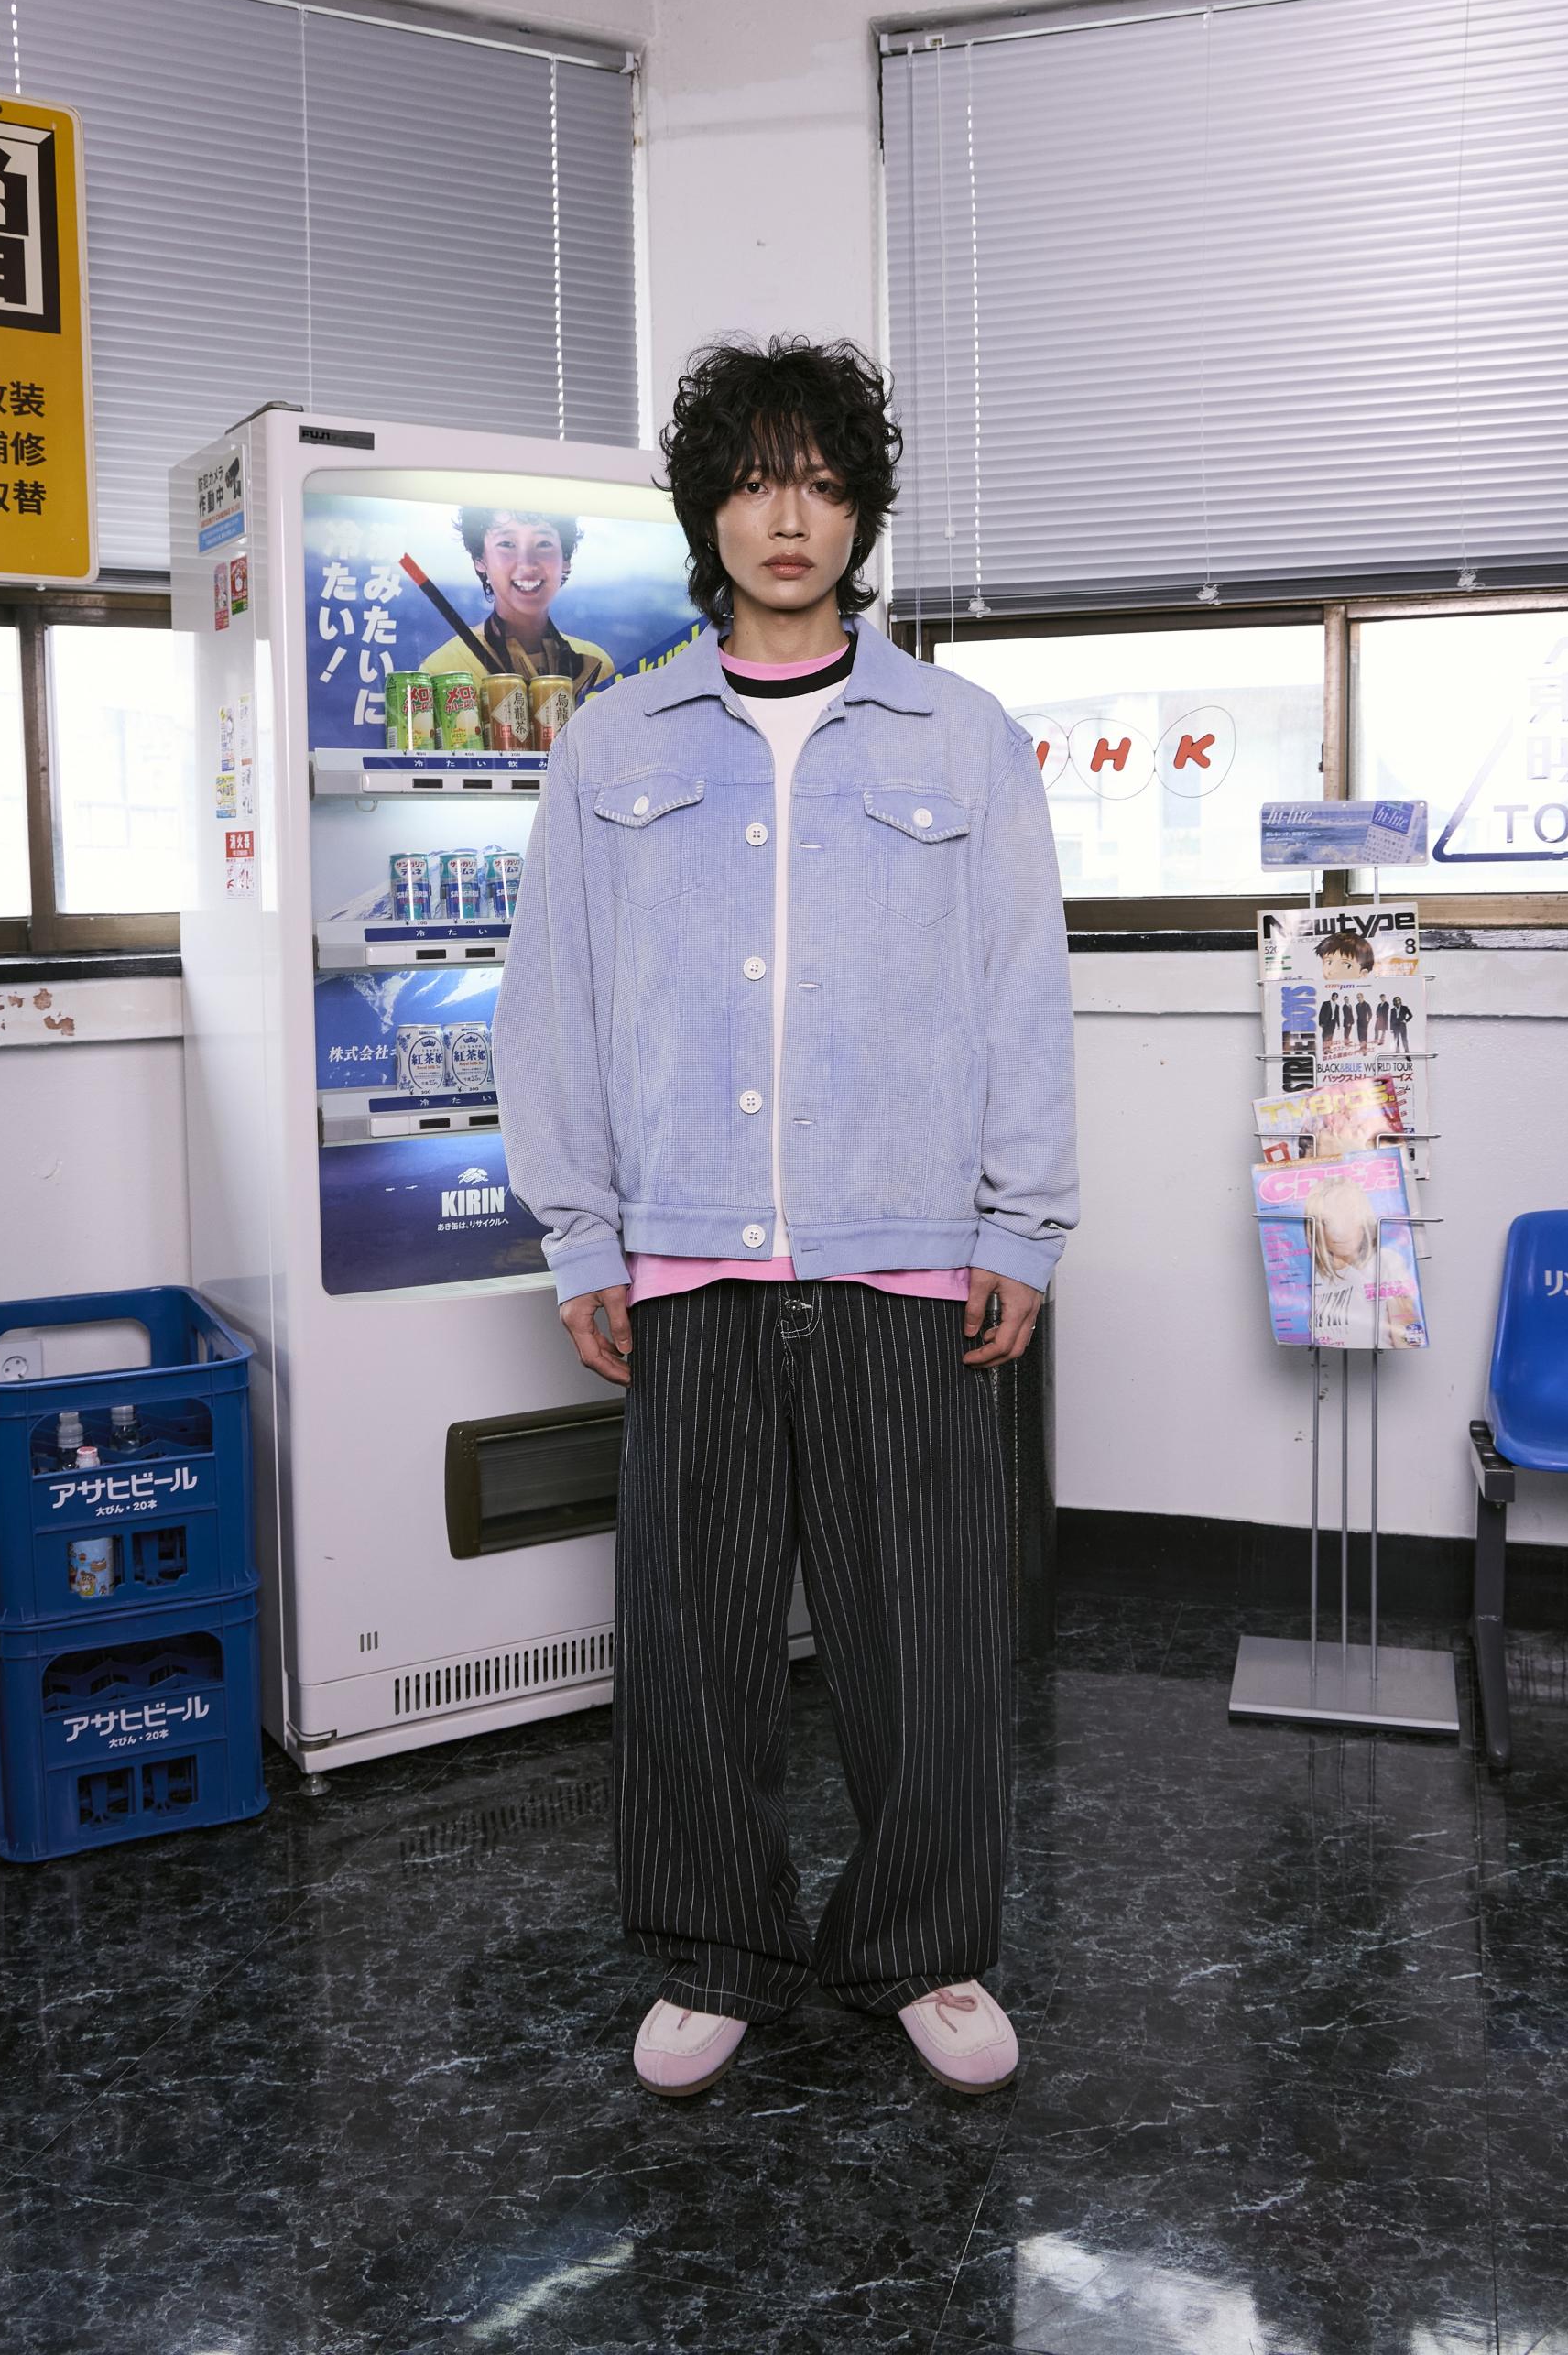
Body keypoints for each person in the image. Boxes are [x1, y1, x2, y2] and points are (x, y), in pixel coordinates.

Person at [492, 335, 1079, 2101]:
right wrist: (580, 1237)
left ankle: (923, 1945)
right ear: (708, 515)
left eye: (821, 481)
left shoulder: (963, 738)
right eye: (754, 481)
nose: (788, 515)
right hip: (690, 1260)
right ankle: (717, 1951)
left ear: (862, 512)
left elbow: (1022, 994)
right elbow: (554, 1005)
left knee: (928, 1646)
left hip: (906, 1256)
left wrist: (1023, 1228)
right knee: (695, 1642)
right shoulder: (613, 742)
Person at [421, 506, 614, 698]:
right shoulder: (441, 669)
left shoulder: (599, 666)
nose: (527, 564)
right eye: (507, 544)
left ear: (565, 559)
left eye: (543, 544)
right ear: (479, 559)